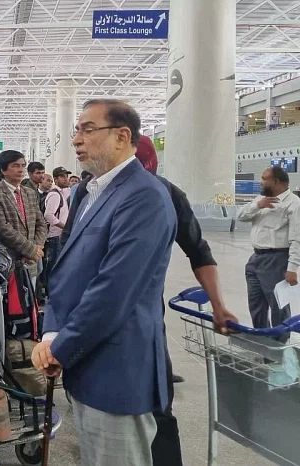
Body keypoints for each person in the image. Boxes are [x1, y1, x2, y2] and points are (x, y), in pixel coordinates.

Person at [63, 134, 237, 466]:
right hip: (90, 310)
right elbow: (70, 255)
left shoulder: (166, 194)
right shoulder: (86, 192)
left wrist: (218, 304)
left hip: (140, 318)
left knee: (156, 404)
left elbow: (199, 252)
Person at [34, 99, 176, 466]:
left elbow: (113, 292)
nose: (77, 140)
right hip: (86, 362)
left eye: (87, 129)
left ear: (122, 136)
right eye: (75, 131)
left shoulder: (143, 197)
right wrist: (51, 335)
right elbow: (66, 272)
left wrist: (60, 348)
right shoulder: (91, 192)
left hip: (117, 371)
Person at [238, 166, 300, 333]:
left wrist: (292, 268)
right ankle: (263, 344)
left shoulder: (293, 204)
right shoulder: (262, 199)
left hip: (276, 260)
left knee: (279, 308)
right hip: (255, 259)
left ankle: (280, 351)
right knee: (256, 306)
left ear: (276, 181)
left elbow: (297, 239)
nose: (261, 182)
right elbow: (241, 216)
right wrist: (258, 205)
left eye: (264, 178)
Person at [0, 150, 47, 264]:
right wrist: (30, 249)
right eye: (16, 166)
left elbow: (41, 222)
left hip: (32, 261)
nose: (21, 170)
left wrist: (37, 247)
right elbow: (2, 228)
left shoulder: (30, 193)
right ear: (3, 170)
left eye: (23, 166)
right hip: (8, 261)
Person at [41, 166, 71, 294]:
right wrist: (64, 226)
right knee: (53, 265)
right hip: (55, 236)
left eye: (66, 176)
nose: (66, 179)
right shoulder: (54, 194)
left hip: (58, 236)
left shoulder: (61, 193)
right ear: (55, 179)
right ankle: (50, 291)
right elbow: (48, 215)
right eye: (62, 176)